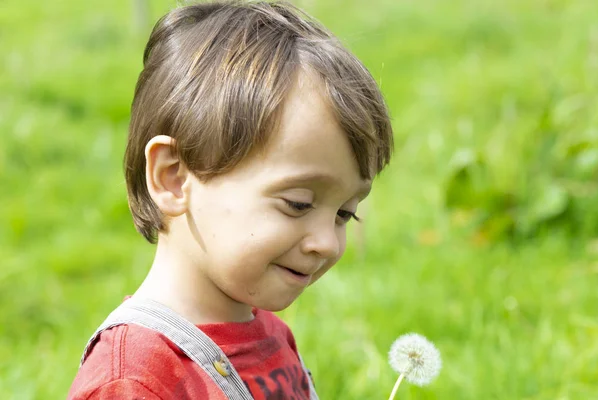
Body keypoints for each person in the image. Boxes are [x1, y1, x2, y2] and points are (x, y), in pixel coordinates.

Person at [68, 1, 393, 399]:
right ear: (173, 177)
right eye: (299, 203)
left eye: (345, 213)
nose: (327, 243)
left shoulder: (271, 336)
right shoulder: (136, 379)